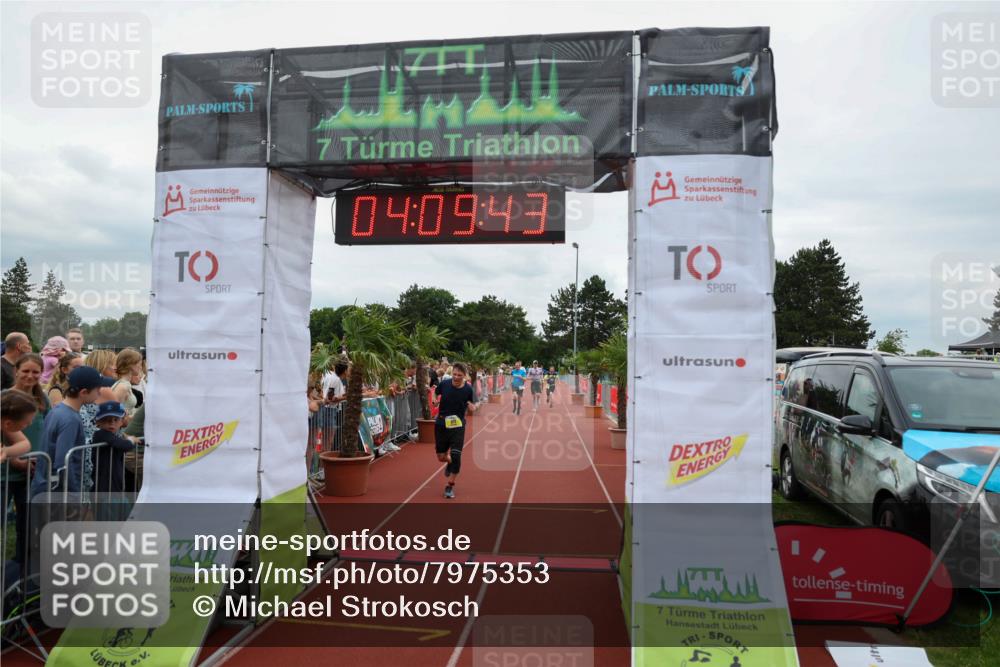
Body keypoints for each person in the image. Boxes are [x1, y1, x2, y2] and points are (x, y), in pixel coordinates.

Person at [31, 366, 114, 496]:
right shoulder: (70, 419)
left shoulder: (57, 411)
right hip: (59, 492)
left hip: (47, 486)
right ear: (83, 392)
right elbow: (63, 461)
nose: (99, 394)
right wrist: (73, 493)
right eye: (97, 390)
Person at [1, 389, 39, 570]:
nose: (29, 424)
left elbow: (24, 444)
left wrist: (6, 451)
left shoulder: (5, 423)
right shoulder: (5, 421)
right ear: (8, 423)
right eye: (25, 423)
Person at [432, 362, 476, 499]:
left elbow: (475, 404)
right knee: (441, 457)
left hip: (458, 425)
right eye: (454, 374)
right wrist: (435, 400)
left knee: (457, 455)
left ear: (464, 376)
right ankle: (449, 462)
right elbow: (435, 392)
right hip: (441, 423)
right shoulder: (445, 384)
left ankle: (450, 485)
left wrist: (472, 406)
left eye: (459, 375)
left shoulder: (468, 389)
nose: (456, 377)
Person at [90, 401, 140, 495]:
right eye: (106, 420)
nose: (111, 423)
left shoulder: (115, 435)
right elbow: (125, 445)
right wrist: (131, 440)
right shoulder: (101, 434)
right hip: (104, 484)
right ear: (98, 422)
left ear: (122, 421)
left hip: (115, 480)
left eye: (116, 419)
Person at [111, 347, 143, 420]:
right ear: (131, 364)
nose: (141, 367)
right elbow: (113, 414)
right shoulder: (122, 387)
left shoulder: (125, 384)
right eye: (139, 364)